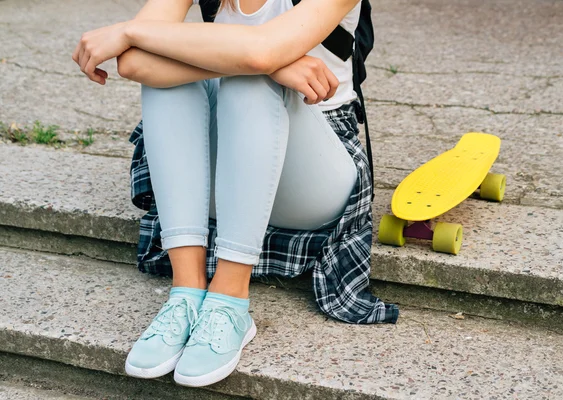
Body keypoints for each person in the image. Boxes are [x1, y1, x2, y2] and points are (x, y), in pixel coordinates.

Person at [72, 0, 397, 388]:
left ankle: (229, 303)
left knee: (252, 78)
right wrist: (271, 62)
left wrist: (128, 31)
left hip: (313, 173)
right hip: (226, 171)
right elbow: (135, 64)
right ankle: (186, 295)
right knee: (170, 83)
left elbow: (261, 52)